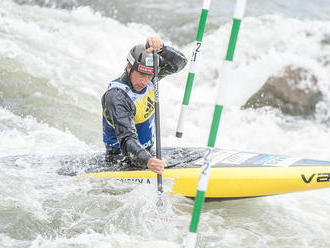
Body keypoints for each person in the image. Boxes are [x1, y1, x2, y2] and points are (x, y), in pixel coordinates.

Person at [102, 37, 187, 175]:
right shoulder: (117, 97)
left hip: (148, 153)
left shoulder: (151, 77)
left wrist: (163, 49)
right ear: (129, 68)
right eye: (141, 75)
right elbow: (127, 139)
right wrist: (148, 161)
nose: (145, 81)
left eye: (150, 76)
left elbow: (180, 64)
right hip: (123, 159)